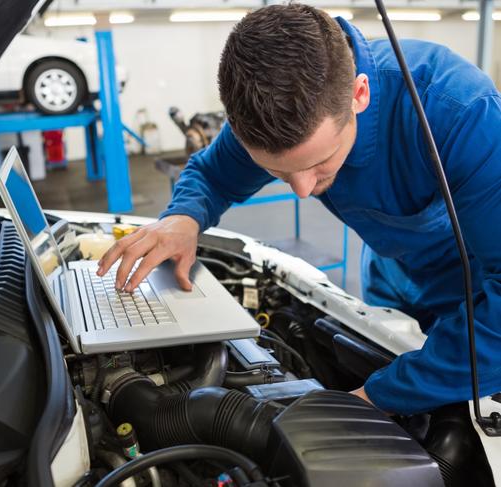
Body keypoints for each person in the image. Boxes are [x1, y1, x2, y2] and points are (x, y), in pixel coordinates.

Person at [97, 3, 501, 415]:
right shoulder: (266, 114)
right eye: (278, 172)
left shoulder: (461, 114)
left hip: (475, 289)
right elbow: (212, 175)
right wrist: (183, 219)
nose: (304, 190)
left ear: (359, 95)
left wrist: (371, 400)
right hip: (388, 274)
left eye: (317, 164)